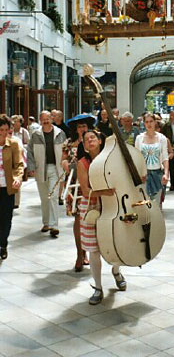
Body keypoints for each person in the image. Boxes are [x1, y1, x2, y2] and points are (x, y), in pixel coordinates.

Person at [77, 129, 127, 304]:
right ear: (84, 145)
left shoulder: (110, 159)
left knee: (116, 242)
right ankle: (98, 287)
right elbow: (85, 191)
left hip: (112, 204)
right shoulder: (83, 163)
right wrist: (104, 192)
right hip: (92, 206)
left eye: (93, 138)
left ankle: (116, 270)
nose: (90, 141)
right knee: (94, 249)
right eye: (86, 139)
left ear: (99, 141)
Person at [62, 114, 96, 271]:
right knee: (77, 218)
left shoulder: (92, 141)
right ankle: (79, 254)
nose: (83, 129)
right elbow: (63, 160)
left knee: (89, 217)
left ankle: (89, 252)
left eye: (85, 126)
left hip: (90, 183)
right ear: (75, 128)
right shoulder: (68, 143)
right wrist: (65, 164)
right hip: (74, 184)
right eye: (80, 126)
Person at [27, 111, 66, 237]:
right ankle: (46, 223)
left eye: (48, 118)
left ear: (52, 119)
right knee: (44, 198)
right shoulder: (35, 134)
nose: (46, 121)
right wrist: (31, 167)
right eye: (43, 119)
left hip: (55, 168)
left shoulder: (60, 133)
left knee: (53, 196)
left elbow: (66, 149)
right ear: (40, 120)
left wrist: (65, 163)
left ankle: (54, 225)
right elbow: (30, 151)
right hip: (40, 169)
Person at [0, 114, 24, 260]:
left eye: (5, 130)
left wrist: (17, 178)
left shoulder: (14, 144)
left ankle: (3, 244)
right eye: (0, 130)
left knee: (6, 217)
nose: (3, 133)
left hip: (7, 187)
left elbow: (19, 164)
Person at [135, 113, 169, 203]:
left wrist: (166, 173)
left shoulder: (162, 138)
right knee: (144, 203)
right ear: (144, 123)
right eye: (146, 122)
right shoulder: (139, 138)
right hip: (144, 175)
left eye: (151, 121)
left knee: (157, 203)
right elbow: (137, 158)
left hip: (157, 173)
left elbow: (165, 157)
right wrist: (138, 174)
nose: (149, 124)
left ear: (155, 122)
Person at [11, 115, 29, 208]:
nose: (15, 123)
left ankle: (16, 202)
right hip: (10, 157)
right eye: (13, 121)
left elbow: (28, 144)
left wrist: (22, 146)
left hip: (20, 156)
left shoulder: (24, 132)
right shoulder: (10, 132)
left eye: (17, 121)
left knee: (17, 178)